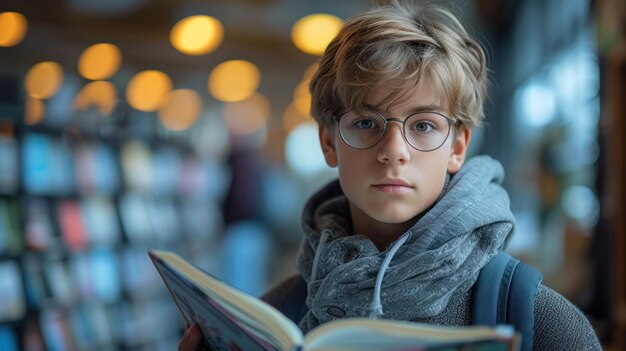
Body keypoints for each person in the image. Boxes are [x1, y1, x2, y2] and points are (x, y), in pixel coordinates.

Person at [179, 0, 601, 350]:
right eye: (366, 123)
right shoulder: (275, 316)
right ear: (329, 142)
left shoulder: (540, 323)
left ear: (457, 147)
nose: (393, 152)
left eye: (423, 125)